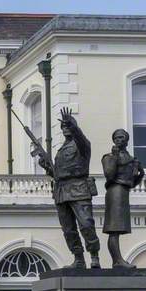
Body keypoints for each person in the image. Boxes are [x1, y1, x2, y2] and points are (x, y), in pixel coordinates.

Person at [35, 107, 102, 269]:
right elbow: (57, 173)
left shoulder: (82, 145)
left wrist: (72, 124)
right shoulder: (60, 151)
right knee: (68, 229)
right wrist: (46, 166)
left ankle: (94, 256)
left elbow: (79, 137)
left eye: (68, 126)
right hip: (61, 190)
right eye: (63, 126)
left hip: (79, 188)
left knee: (86, 224)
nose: (65, 128)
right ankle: (78, 258)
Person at [102, 128, 145, 268]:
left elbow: (132, 182)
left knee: (119, 228)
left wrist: (140, 173)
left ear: (126, 140)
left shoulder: (131, 159)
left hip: (124, 192)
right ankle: (117, 260)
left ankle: (117, 260)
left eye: (121, 137)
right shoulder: (108, 157)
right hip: (115, 191)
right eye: (116, 138)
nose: (118, 140)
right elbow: (109, 174)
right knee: (114, 229)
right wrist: (114, 157)